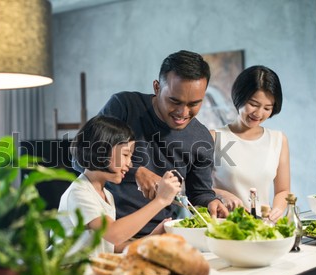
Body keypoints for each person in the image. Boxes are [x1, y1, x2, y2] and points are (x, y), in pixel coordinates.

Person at [97, 50, 229, 238]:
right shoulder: (124, 106)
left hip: (161, 234)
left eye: (194, 104)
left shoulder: (201, 137)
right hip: (107, 232)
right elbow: (79, 157)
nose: (183, 112)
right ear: (157, 87)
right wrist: (137, 172)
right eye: (175, 101)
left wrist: (211, 203)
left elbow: (199, 193)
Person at [58, 115, 182, 255]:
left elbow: (112, 246)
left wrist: (152, 237)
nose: (130, 164)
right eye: (125, 155)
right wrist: (161, 200)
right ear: (100, 151)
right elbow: (114, 234)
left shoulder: (106, 195)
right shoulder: (79, 193)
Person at [210, 65, 290, 221]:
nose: (259, 114)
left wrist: (277, 211)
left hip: (263, 225)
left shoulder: (278, 140)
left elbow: (283, 190)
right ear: (239, 96)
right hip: (224, 227)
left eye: (267, 107)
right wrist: (223, 194)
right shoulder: (215, 138)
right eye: (253, 104)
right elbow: (196, 189)